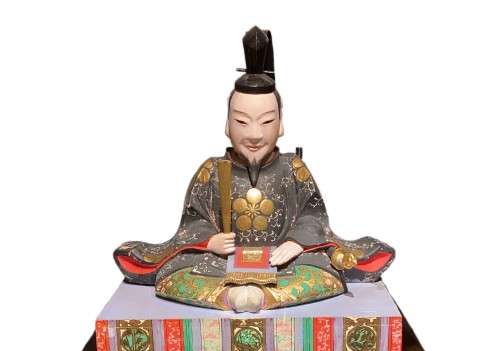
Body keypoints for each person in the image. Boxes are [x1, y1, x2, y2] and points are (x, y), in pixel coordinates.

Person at [114, 27, 395, 313]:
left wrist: (298, 242)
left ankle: (255, 298)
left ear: (281, 125)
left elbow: (312, 215)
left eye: (266, 121)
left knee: (324, 270)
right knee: (175, 272)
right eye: (242, 121)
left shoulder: (292, 168)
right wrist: (210, 241)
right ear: (227, 125)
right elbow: (194, 220)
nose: (254, 134)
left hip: (282, 260)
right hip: (221, 262)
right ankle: (236, 297)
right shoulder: (211, 170)